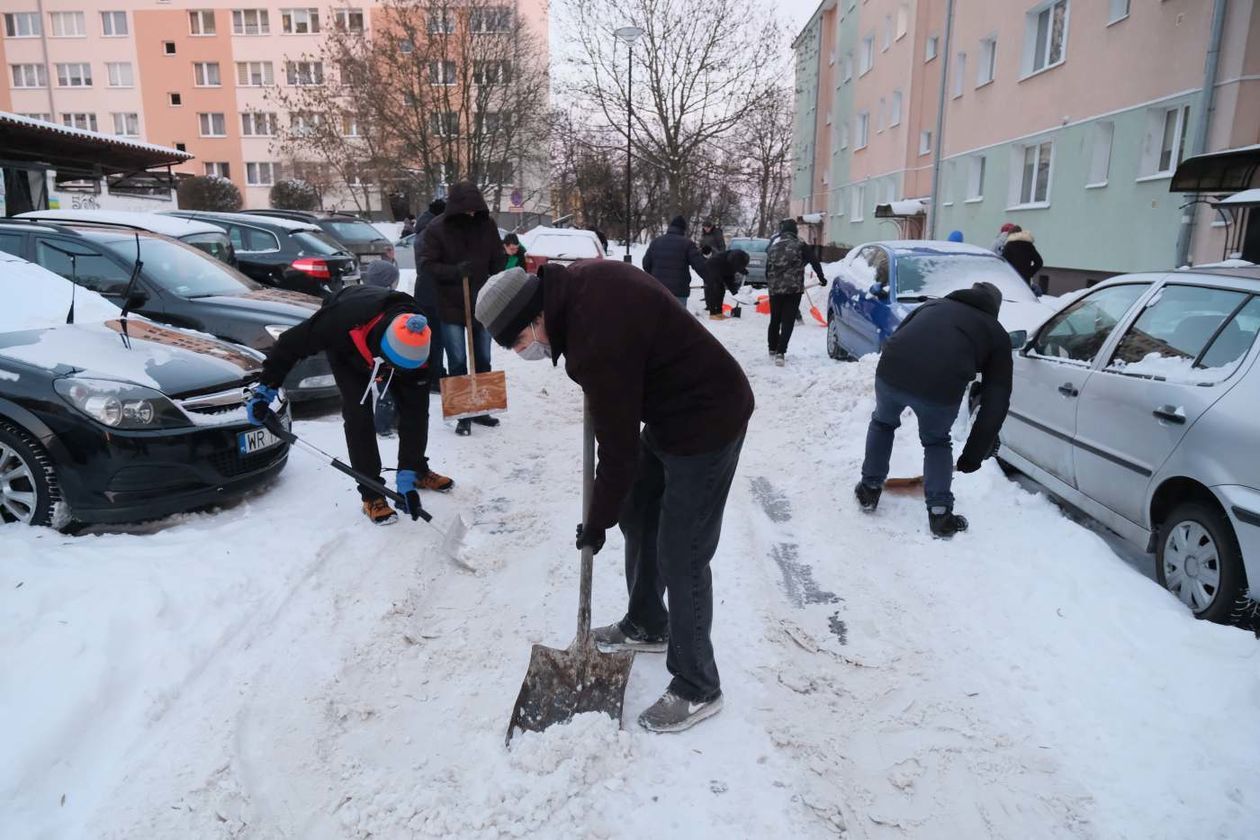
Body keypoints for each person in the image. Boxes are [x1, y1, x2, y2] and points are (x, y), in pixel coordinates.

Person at [474, 263, 754, 733]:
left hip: (708, 418)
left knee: (681, 553)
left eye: (518, 344)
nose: (525, 353)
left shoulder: (593, 339)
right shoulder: (577, 292)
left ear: (533, 319)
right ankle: (646, 620)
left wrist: (595, 522)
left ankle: (698, 684)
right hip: (670, 412)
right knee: (638, 508)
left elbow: (619, 451)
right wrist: (612, 511)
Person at [246, 284, 454, 525]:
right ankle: (372, 494)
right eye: (391, 368)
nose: (393, 374)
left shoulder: (421, 347)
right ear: (381, 355)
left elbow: (415, 415)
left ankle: (415, 471)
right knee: (358, 416)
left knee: (414, 407)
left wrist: (406, 475)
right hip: (349, 347)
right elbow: (289, 345)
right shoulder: (338, 321)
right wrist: (266, 389)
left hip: (390, 347)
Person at [854, 281, 1012, 538]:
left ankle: (868, 490)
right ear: (995, 308)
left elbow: (898, 335)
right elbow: (997, 400)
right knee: (936, 442)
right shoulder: (996, 333)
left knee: (883, 423)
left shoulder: (932, 305)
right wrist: (973, 455)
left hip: (892, 371)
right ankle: (940, 515)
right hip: (940, 388)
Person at [418, 181, 507, 436]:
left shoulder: (486, 225)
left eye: (474, 210)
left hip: (483, 303)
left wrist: (498, 270)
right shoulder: (437, 229)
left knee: (483, 357)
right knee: (457, 359)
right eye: (466, 210)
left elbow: (496, 256)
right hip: (450, 304)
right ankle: (461, 414)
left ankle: (481, 409)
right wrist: (454, 272)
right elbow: (427, 265)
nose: (470, 214)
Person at [763, 219, 826, 366]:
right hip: (793, 289)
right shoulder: (800, 245)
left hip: (775, 289)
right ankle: (780, 352)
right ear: (795, 232)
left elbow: (767, 270)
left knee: (775, 319)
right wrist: (821, 278)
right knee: (788, 321)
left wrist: (771, 284)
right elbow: (814, 261)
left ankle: (772, 348)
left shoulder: (773, 247)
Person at [413, 197, 449, 388]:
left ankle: (434, 371)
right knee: (435, 337)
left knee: (433, 336)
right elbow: (430, 264)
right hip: (432, 291)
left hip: (427, 290)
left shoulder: (424, 228)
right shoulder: (429, 233)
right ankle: (434, 375)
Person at [641, 215, 708, 308]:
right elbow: (699, 265)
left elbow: (646, 264)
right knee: (677, 320)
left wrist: (654, 277)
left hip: (657, 289)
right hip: (679, 290)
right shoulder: (687, 244)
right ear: (683, 229)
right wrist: (712, 279)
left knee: (657, 319)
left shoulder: (656, 242)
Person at [703, 248, 749, 319]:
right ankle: (713, 314)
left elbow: (730, 279)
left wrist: (742, 269)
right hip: (712, 269)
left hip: (723, 269)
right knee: (716, 290)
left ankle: (719, 313)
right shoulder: (722, 261)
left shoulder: (737, 258)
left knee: (721, 291)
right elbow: (727, 278)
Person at [1002, 227, 1045, 291]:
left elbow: (1004, 262)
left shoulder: (1009, 245)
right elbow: (1039, 262)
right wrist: (1029, 273)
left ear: (1010, 235)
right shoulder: (1029, 246)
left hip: (1012, 278)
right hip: (1025, 279)